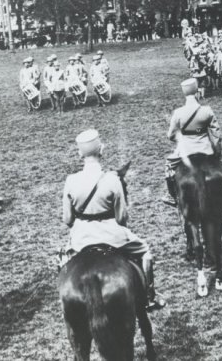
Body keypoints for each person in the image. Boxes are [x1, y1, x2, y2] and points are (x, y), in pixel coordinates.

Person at [62, 129, 166, 310]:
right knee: (145, 252)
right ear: (101, 150)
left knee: (63, 262)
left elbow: (68, 219)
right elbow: (121, 218)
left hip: (80, 238)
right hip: (112, 234)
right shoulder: (112, 180)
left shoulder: (71, 180)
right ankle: (150, 296)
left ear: (80, 153)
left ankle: (65, 304)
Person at [161, 78, 222, 206]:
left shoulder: (178, 113)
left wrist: (182, 138)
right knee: (220, 165)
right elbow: (216, 133)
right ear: (197, 91)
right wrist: (216, 147)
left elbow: (170, 135)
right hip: (206, 149)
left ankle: (171, 195)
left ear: (184, 94)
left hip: (186, 150)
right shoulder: (207, 110)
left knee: (168, 166)